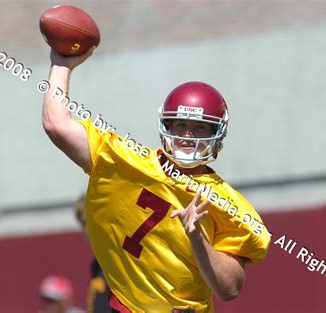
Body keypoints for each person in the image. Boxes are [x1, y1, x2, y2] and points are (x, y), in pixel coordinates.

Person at [42, 47, 271, 312]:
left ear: (216, 134)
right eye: (180, 125)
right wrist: (61, 64)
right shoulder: (127, 159)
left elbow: (228, 289)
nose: (188, 134)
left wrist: (196, 237)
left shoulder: (229, 204)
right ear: (166, 127)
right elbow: (56, 126)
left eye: (200, 127)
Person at [74, 193, 110, 313]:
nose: (85, 229)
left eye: (89, 220)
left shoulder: (120, 258)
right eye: (82, 223)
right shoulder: (96, 264)